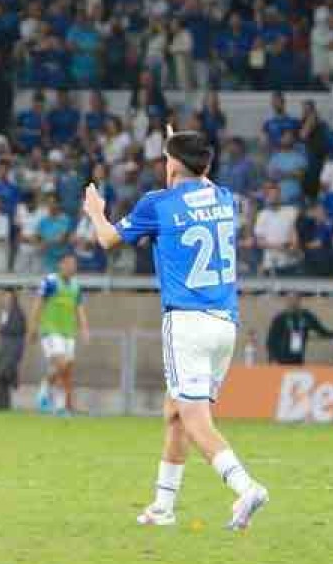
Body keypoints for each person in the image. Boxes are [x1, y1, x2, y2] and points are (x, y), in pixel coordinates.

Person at [83, 129, 270, 531]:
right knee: (175, 413)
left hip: (186, 322)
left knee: (194, 417)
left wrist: (96, 211)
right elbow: (197, 185)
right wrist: (181, 154)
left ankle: (246, 487)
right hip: (225, 324)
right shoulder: (224, 199)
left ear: (171, 164)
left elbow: (108, 240)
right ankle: (163, 507)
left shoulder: (158, 204)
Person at [30, 251, 89, 415]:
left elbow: (79, 308)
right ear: (61, 265)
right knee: (62, 364)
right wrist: (33, 327)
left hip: (68, 332)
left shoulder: (76, 285)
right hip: (50, 330)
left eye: (74, 265)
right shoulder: (50, 281)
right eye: (69, 264)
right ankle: (60, 405)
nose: (72, 267)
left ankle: (46, 392)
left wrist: (84, 328)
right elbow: (38, 303)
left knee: (66, 369)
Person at [266, 294, 333, 366]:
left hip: (298, 359)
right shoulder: (280, 318)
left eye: (295, 299)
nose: (292, 302)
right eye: (290, 300)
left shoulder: (306, 316)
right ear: (286, 301)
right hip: (281, 361)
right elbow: (270, 341)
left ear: (299, 300)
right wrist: (273, 358)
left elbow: (322, 331)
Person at [0, 288, 26, 411]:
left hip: (14, 346)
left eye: (8, 298)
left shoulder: (18, 313)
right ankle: (2, 407)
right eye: (4, 297)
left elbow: (17, 329)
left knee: (4, 372)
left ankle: (13, 376)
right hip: (3, 347)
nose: (6, 300)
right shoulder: (2, 313)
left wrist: (1, 330)